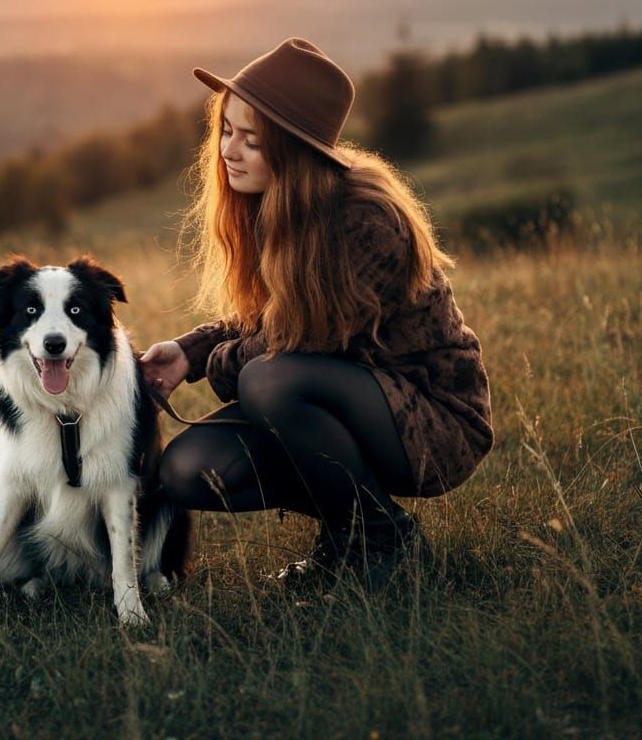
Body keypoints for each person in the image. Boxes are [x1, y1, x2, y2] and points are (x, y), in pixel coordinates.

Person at [140, 38, 493, 592]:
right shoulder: (274, 207)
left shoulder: (365, 221)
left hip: (431, 417)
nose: (230, 151)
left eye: (251, 141)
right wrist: (191, 351)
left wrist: (220, 364)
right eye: (227, 131)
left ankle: (385, 540)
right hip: (338, 399)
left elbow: (290, 346)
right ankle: (348, 533)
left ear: (296, 152)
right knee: (188, 468)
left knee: (268, 381)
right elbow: (267, 321)